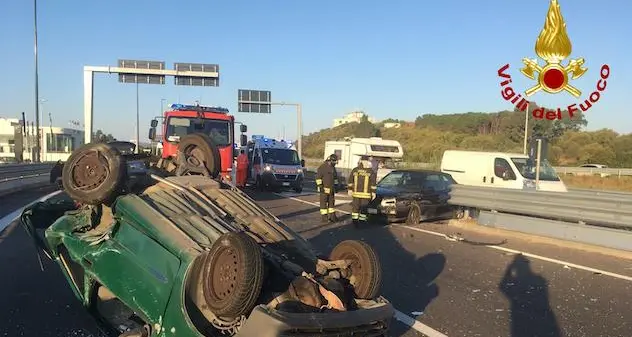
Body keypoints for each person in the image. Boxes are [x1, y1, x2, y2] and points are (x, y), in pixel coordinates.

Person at [347, 161, 377, 227]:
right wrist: (374, 192)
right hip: (366, 195)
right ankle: (362, 222)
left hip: (356, 194)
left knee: (355, 208)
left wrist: (349, 189)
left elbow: (350, 181)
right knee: (364, 208)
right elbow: (373, 183)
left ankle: (355, 221)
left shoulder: (355, 170)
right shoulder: (370, 171)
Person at [316, 154, 340, 224]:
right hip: (324, 189)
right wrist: (320, 186)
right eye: (334, 161)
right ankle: (324, 218)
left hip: (331, 190)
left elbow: (335, 178)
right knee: (323, 205)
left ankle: (332, 217)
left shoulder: (333, 168)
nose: (335, 163)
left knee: (331, 204)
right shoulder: (322, 167)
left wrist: (336, 186)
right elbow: (318, 178)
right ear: (331, 160)